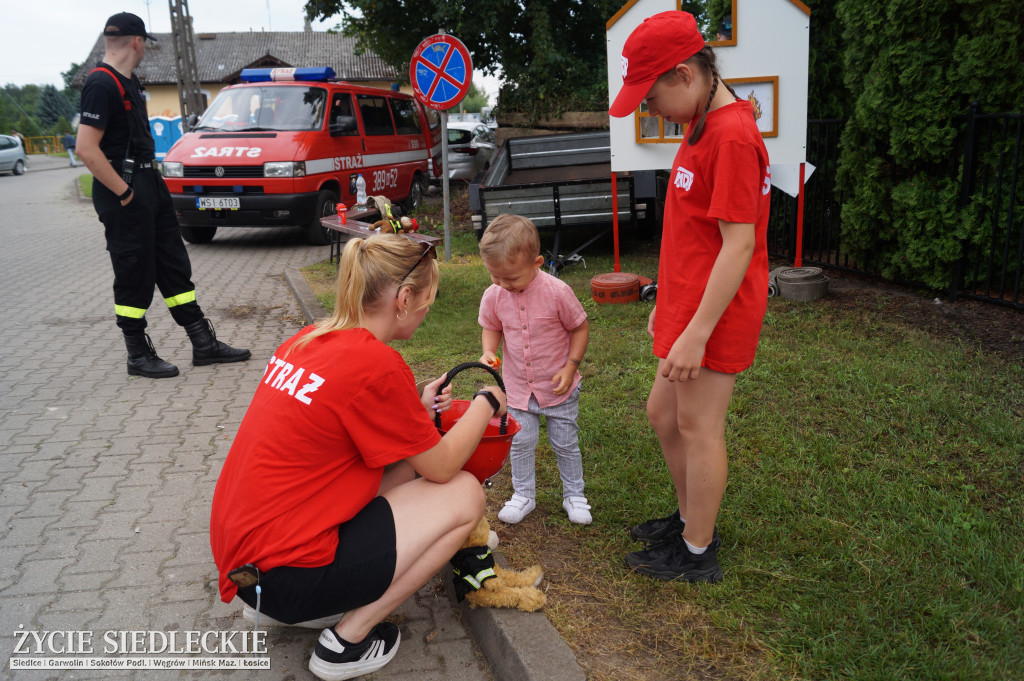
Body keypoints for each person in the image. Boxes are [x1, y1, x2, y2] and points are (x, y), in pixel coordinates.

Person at [210, 233, 506, 681]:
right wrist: (486, 401)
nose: (429, 310)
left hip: (249, 571)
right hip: (291, 580)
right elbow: (443, 465)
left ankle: (326, 602)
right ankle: (347, 642)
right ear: (404, 299)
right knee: (464, 494)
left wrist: (416, 409)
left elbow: (348, 427)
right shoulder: (377, 364)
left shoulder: (309, 339)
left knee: (406, 465)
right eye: (429, 299)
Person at [609, 11, 771, 582]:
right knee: (662, 413)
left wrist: (697, 330)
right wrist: (669, 300)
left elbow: (739, 244)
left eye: (650, 97)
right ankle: (688, 520)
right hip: (688, 303)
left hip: (716, 314)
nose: (650, 110)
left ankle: (698, 550)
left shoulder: (731, 135)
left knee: (700, 427)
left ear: (684, 75)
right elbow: (694, 232)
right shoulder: (701, 124)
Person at [76, 12, 250, 379]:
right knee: (134, 272)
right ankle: (137, 355)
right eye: (144, 46)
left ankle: (203, 343)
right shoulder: (100, 84)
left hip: (148, 184)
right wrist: (125, 194)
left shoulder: (130, 81)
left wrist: (144, 190)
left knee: (173, 265)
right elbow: (86, 149)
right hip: (121, 189)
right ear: (137, 42)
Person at [477, 214, 592, 525]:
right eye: (495, 276)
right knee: (521, 441)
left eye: (511, 278)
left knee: (565, 442)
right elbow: (491, 326)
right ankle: (523, 494)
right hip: (517, 386)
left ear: (537, 262)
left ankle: (574, 494)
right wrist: (489, 350)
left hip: (558, 386)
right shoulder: (495, 294)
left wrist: (570, 367)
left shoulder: (558, 292)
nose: (503, 284)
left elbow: (580, 328)